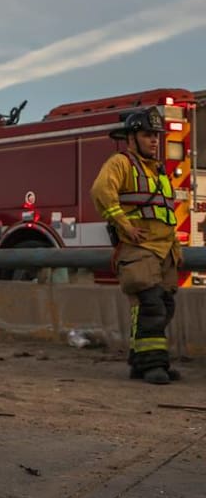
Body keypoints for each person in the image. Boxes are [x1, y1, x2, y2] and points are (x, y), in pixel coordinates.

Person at [91, 107, 183, 385]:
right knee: (150, 305)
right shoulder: (121, 163)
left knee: (165, 306)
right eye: (147, 135)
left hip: (163, 250)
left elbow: (163, 212)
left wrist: (174, 246)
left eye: (156, 135)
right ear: (131, 138)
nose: (154, 140)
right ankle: (155, 365)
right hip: (138, 249)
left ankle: (140, 360)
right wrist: (124, 225)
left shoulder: (158, 171)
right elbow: (100, 191)